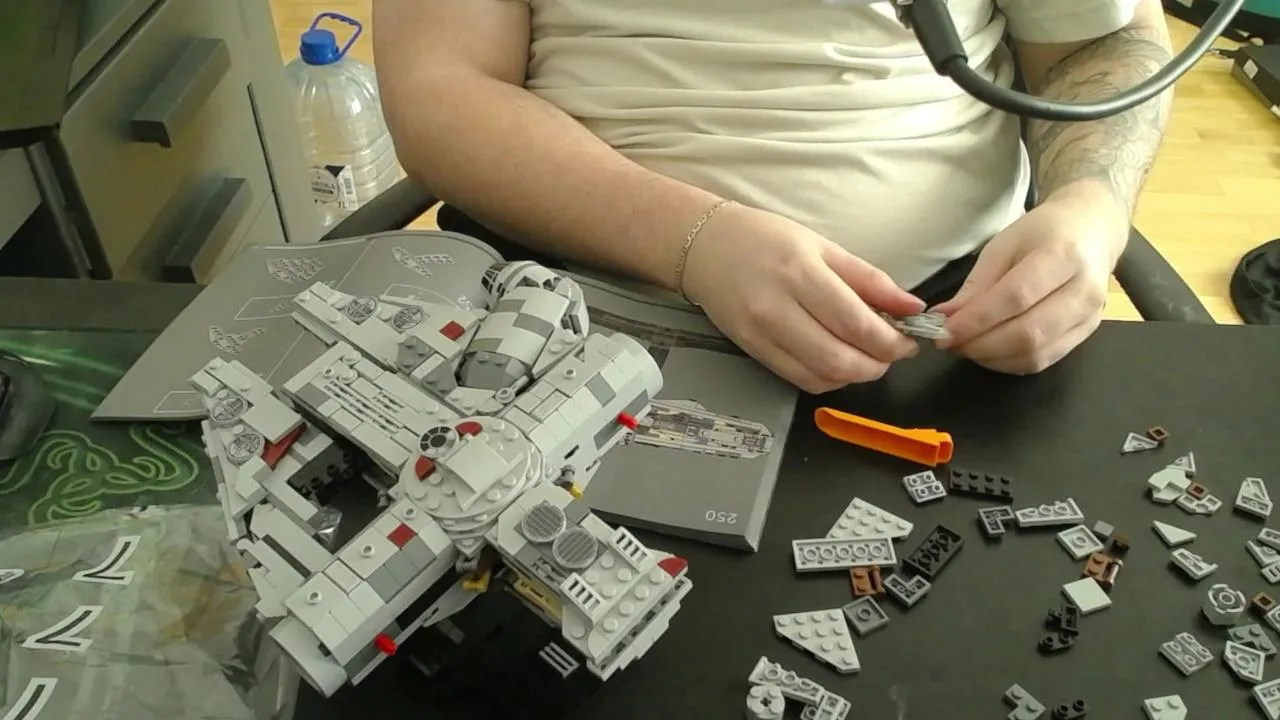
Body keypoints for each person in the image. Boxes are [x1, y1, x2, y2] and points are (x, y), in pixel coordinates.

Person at [372, 0, 1173, 394]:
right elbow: (443, 87)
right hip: (570, 319)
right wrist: (692, 240)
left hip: (954, 334)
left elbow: (1104, 44)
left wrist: (1090, 209)